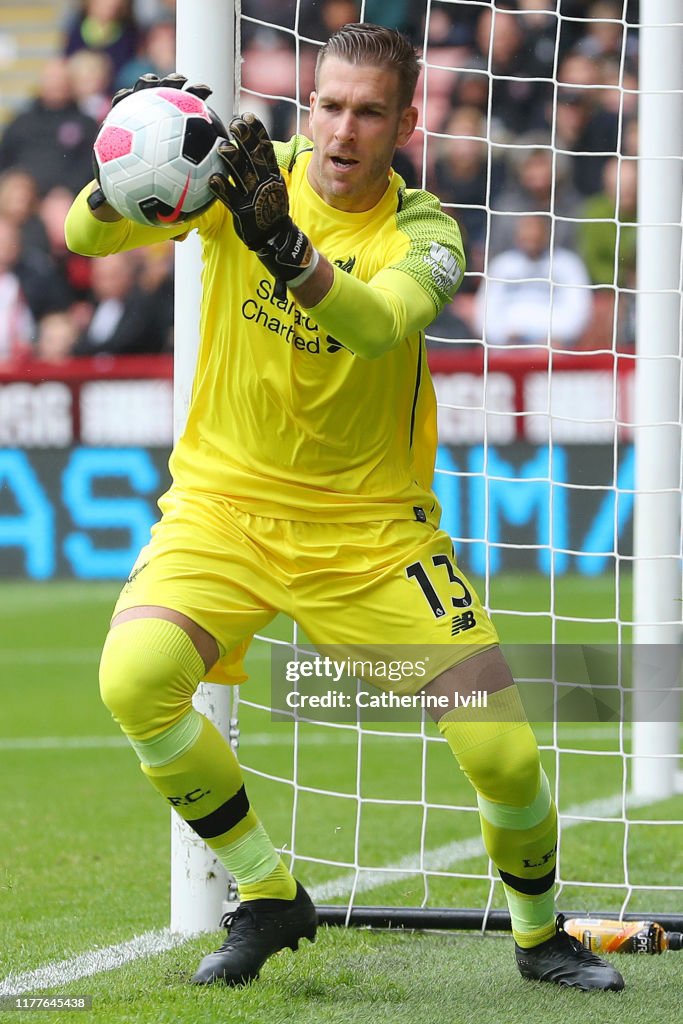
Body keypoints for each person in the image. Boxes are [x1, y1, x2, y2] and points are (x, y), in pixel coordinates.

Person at [64, 24, 624, 993]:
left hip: (368, 535)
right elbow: (83, 237)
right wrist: (133, 143)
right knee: (134, 677)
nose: (340, 130)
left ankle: (538, 935)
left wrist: (283, 248)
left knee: (500, 752)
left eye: (368, 111)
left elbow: (373, 327)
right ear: (306, 106)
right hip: (223, 509)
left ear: (406, 121)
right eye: (327, 105)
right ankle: (268, 893)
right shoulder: (237, 173)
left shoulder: (426, 233)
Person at [474, 213, 592, 348]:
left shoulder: (568, 265)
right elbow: (484, 313)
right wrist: (503, 336)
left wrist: (554, 336)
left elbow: (578, 312)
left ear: (547, 234)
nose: (531, 237)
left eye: (535, 232)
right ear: (517, 236)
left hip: (556, 347)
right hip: (507, 348)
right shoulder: (502, 265)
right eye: (526, 232)